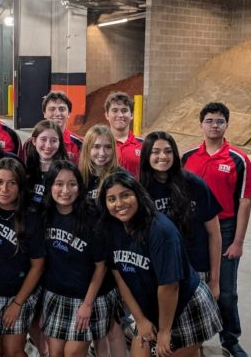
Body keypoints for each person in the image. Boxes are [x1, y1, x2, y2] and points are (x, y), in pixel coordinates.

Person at [98, 171, 222, 357]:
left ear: (138, 195)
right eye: (112, 199)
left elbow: (169, 287)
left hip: (185, 306)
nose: (119, 204)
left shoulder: (161, 231)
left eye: (125, 195)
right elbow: (119, 275)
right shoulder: (112, 228)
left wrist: (164, 331)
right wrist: (140, 319)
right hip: (153, 307)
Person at [182, 102, 251, 357]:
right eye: (210, 121)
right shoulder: (188, 157)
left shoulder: (239, 159)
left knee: (225, 291)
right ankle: (195, 340)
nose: (214, 125)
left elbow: (245, 201)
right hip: (193, 230)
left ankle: (230, 338)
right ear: (201, 124)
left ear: (227, 124)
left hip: (225, 229)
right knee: (192, 288)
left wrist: (237, 241)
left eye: (220, 121)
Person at [41, 160, 112, 357]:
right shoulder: (45, 213)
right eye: (59, 183)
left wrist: (87, 305)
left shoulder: (92, 217)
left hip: (85, 298)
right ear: (50, 186)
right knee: (55, 353)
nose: (65, 190)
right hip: (55, 295)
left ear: (79, 187)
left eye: (72, 184)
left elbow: (101, 266)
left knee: (72, 353)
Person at [0, 158, 45, 357]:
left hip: (18, 294)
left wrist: (17, 304)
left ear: (20, 186)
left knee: (13, 351)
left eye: (12, 183)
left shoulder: (30, 217)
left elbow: (37, 266)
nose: (4, 188)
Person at [140, 131, 222, 299]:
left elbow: (214, 234)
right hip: (160, 274)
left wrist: (214, 281)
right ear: (147, 155)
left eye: (168, 151)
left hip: (196, 269)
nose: (163, 156)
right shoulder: (140, 190)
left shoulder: (195, 184)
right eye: (155, 151)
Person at [78, 124, 128, 357]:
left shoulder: (121, 178)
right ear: (87, 148)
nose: (102, 152)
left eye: (107, 147)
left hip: (113, 258)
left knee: (113, 325)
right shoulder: (79, 178)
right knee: (98, 327)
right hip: (88, 259)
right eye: (96, 147)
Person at [23, 91, 82, 163]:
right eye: (52, 109)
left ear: (69, 113)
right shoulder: (30, 144)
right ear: (44, 113)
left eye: (62, 109)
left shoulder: (79, 145)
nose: (57, 114)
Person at [24, 120, 68, 207]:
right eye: (43, 139)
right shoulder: (25, 169)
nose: (48, 145)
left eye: (54, 140)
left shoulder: (67, 172)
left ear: (60, 143)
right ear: (34, 141)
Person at [104, 91, 142, 178]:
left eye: (124, 111)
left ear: (132, 115)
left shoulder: (143, 145)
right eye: (115, 111)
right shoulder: (97, 146)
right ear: (107, 115)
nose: (120, 115)